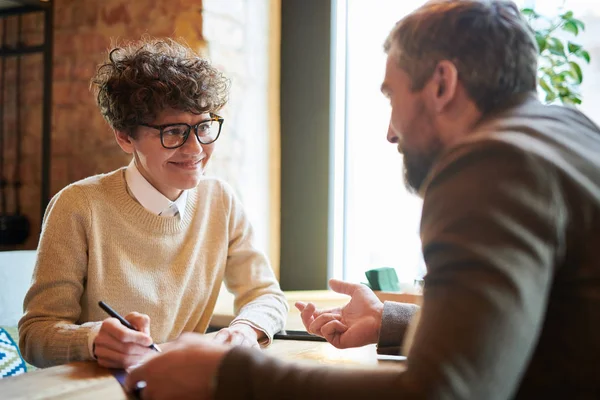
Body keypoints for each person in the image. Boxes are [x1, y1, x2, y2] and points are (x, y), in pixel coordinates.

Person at [125, 1, 600, 399]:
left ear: (441, 84)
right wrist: (391, 322)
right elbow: (533, 329)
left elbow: (443, 393)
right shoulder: (571, 132)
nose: (390, 131)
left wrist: (225, 376)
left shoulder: (490, 161)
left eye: (392, 96)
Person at [18, 38, 288, 369]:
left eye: (203, 127)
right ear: (124, 137)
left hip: (181, 384)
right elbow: (35, 336)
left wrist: (246, 329)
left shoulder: (221, 201)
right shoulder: (77, 206)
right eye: (173, 132)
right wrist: (91, 340)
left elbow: (267, 296)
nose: (195, 149)